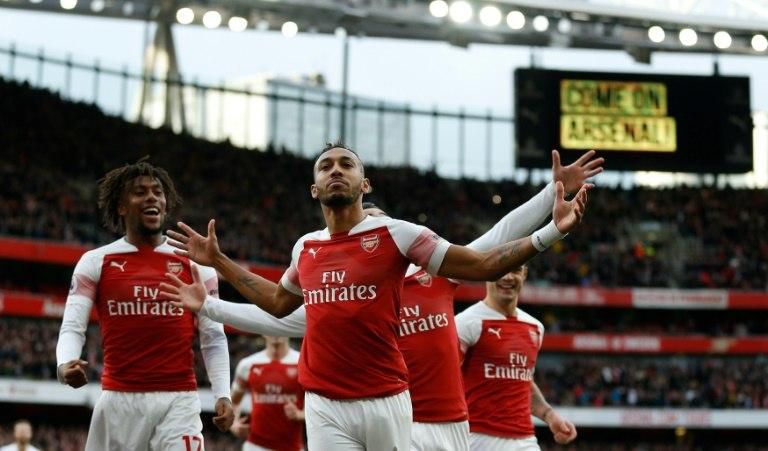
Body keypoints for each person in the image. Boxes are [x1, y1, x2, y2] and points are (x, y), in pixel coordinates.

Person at [161, 143, 591, 450]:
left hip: (420, 415)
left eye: (346, 164)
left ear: (366, 186)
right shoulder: (311, 256)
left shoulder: (423, 264)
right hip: (332, 404)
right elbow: (275, 310)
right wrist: (215, 280)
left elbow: (493, 248)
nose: (335, 170)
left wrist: (551, 220)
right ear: (314, 188)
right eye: (325, 165)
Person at [55, 160, 234, 451]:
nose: (152, 197)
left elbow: (213, 335)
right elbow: (73, 327)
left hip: (179, 400)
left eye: (157, 192)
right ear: (121, 207)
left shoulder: (196, 264)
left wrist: (222, 393)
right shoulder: (96, 262)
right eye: (140, 192)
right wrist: (65, 364)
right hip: (119, 402)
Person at [456, 265, 577, 450]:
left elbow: (523, 382)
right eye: (501, 269)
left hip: (524, 440)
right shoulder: (465, 323)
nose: (508, 277)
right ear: (487, 271)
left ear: (525, 274)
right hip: (478, 439)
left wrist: (549, 415)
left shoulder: (535, 327)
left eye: (516, 270)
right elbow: (443, 379)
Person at [230, 335, 304, 451]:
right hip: (255, 446)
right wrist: (234, 424)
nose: (276, 332)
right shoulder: (247, 365)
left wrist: (300, 415)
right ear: (263, 332)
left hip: (292, 446)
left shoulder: (302, 363)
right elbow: (233, 402)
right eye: (272, 326)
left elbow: (319, 405)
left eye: (280, 326)